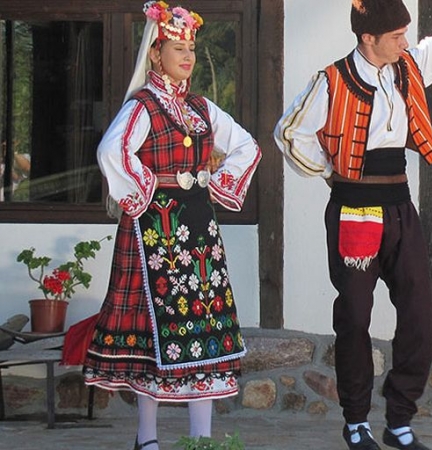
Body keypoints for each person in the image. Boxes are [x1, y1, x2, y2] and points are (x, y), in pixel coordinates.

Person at [274, 0, 432, 448]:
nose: (405, 42)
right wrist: (331, 167)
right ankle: (356, 420)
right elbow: (289, 132)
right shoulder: (331, 80)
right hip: (355, 209)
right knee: (354, 317)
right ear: (367, 37)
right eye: (396, 36)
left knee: (419, 313)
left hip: (399, 203)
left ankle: (399, 420)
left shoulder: (406, 66)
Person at [83, 2, 261, 449]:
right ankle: (147, 439)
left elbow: (246, 145)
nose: (187, 57)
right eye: (177, 48)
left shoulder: (200, 108)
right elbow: (112, 150)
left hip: (198, 231)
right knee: (155, 337)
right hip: (154, 234)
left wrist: (216, 185)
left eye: (191, 49)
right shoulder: (143, 105)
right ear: (156, 53)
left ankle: (201, 440)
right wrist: (144, 191)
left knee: (201, 331)